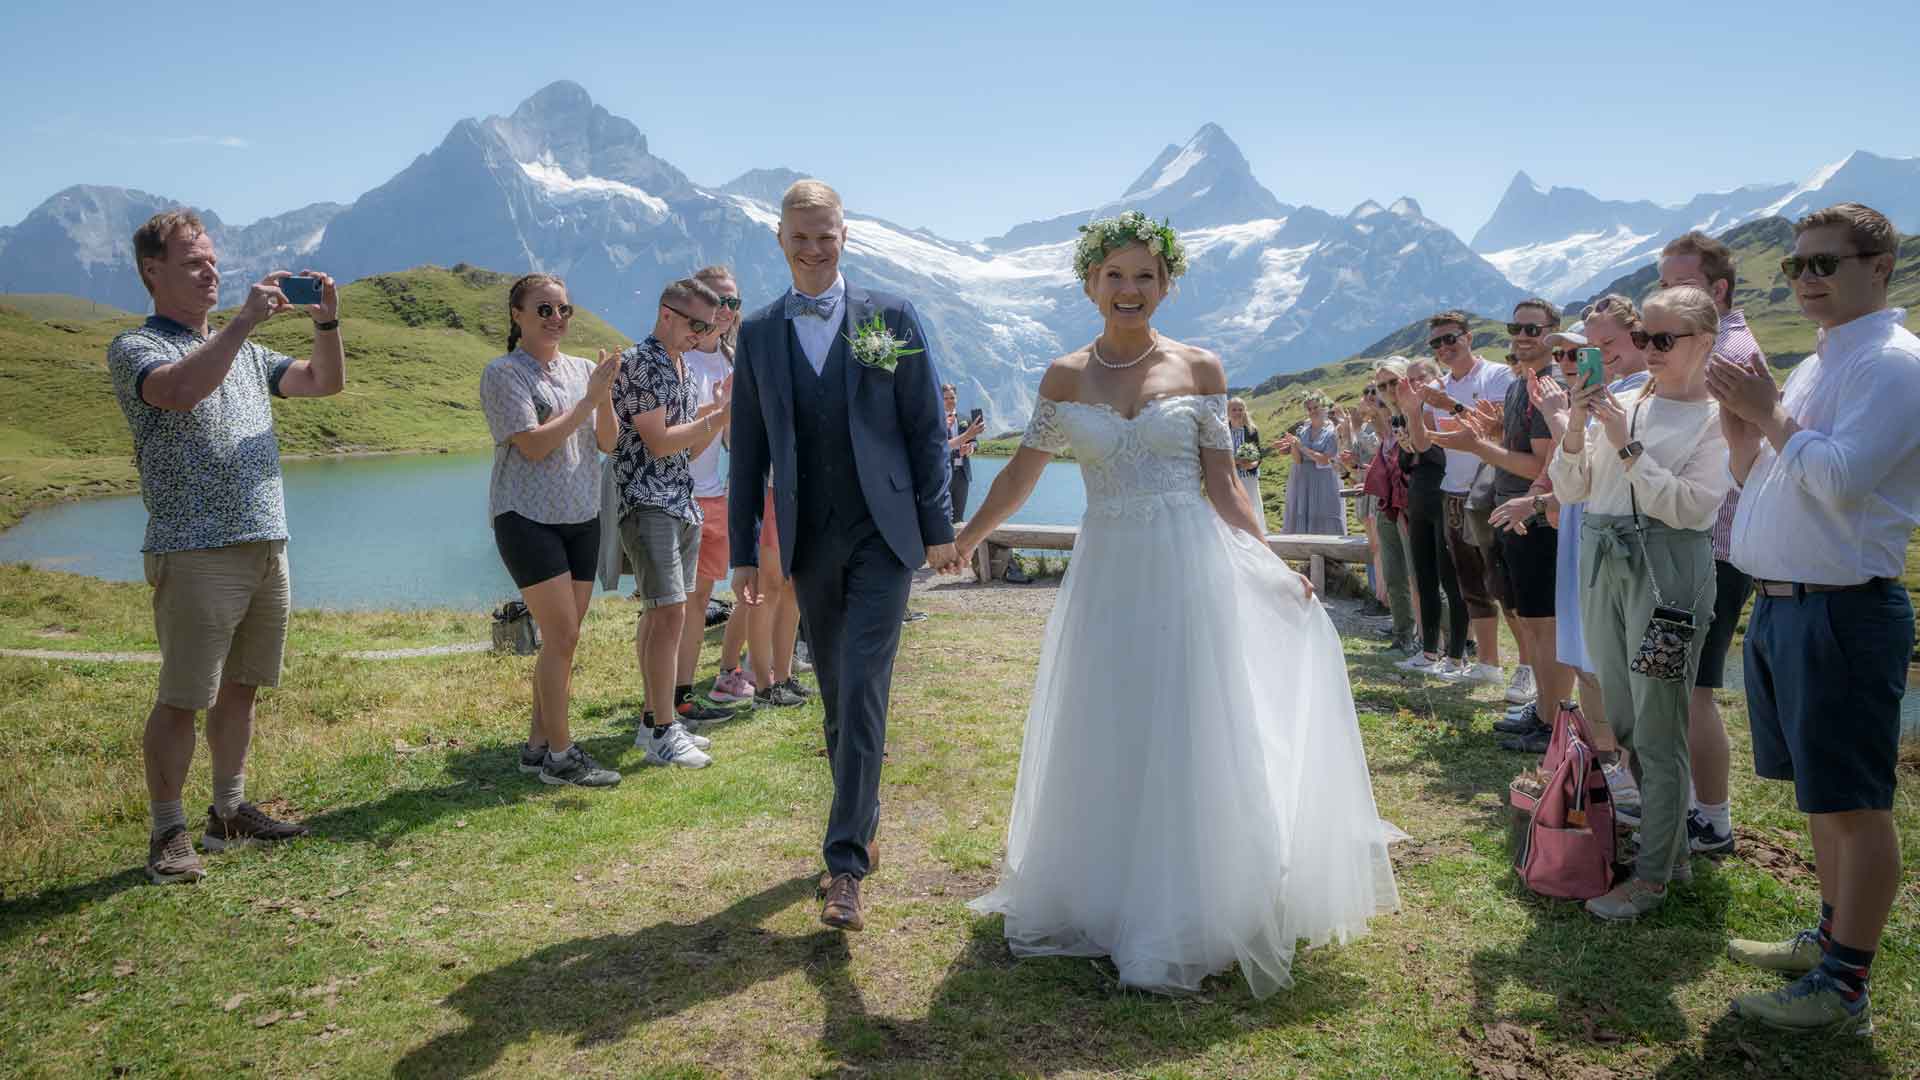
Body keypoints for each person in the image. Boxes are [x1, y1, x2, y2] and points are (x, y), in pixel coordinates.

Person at [952, 211, 1399, 998]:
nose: (1130, 290)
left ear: (1166, 286)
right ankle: (1105, 891)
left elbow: (1225, 487)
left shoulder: (1202, 369)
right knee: (1111, 716)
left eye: (1145, 277)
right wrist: (966, 536)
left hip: (1190, 566)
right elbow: (1022, 474)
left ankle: (1197, 902)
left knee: (1193, 718)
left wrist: (1269, 562)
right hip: (1108, 574)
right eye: (1115, 276)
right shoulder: (1063, 377)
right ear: (1090, 284)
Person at [729, 179, 957, 932]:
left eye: (825, 235)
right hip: (809, 541)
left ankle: (846, 864)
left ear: (844, 236)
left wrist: (939, 525)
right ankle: (864, 817)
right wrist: (741, 552)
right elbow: (748, 454)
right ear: (780, 242)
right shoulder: (759, 333)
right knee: (835, 694)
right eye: (800, 237)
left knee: (861, 682)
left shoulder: (892, 316)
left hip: (884, 537)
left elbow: (925, 427)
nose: (814, 249)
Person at [1714, 203, 1918, 1033]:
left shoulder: (1895, 366)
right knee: (1821, 799)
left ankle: (1844, 989)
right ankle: (1831, 942)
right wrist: (1745, 428)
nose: (1805, 279)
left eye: (1824, 264)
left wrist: (1767, 415)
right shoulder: (1824, 361)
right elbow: (1777, 472)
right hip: (1789, 605)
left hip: (1843, 610)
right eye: (1796, 265)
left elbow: (1838, 480)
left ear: (1881, 266)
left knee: (1855, 804)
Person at [107, 210, 345, 884]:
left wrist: (326, 323)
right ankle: (167, 833)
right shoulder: (136, 347)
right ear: (153, 272)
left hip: (266, 543)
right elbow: (178, 393)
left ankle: (229, 811)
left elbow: (324, 383)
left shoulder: (249, 354)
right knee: (185, 696)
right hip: (194, 548)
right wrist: (241, 324)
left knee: (241, 689)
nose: (209, 271)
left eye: (211, 259)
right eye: (192, 262)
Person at [1546, 286, 1732, 921]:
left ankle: (1653, 877)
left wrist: (1627, 445)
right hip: (1602, 562)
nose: (1647, 352)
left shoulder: (1716, 418)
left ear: (1704, 342)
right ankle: (1668, 848)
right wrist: (1576, 422)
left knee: (1659, 720)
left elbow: (1688, 506)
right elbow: (1571, 488)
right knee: (1622, 717)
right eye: (1643, 338)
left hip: (1668, 572)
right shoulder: (1622, 401)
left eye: (1663, 339)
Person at [481, 274, 622, 788]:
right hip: (525, 517)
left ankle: (538, 747)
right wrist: (586, 402)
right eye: (544, 310)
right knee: (560, 634)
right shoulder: (503, 374)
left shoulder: (583, 369)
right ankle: (562, 756)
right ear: (516, 316)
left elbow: (608, 443)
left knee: (565, 638)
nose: (556, 318)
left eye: (563, 308)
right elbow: (534, 446)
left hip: (582, 516)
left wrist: (602, 397)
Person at [1658, 231, 1761, 859]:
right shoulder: (1710, 345)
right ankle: (1694, 806)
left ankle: (1712, 819)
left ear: (1717, 290)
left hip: (1713, 546)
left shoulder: (1729, 353)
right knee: (1680, 679)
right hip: (1696, 540)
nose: (1669, 295)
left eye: (1680, 284)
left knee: (1693, 685)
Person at [1433, 300, 1574, 723]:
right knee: (1528, 620)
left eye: (1533, 329)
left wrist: (1479, 446)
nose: (1522, 336)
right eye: (1517, 327)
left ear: (1552, 332)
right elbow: (1517, 448)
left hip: (1535, 514)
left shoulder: (1548, 387)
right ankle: (1544, 710)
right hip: (1510, 509)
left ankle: (1552, 719)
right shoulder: (1519, 385)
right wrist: (1491, 432)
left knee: (1544, 625)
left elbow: (1539, 465)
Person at [612, 278, 732, 769]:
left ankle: (652, 721)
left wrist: (717, 415)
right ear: (667, 314)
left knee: (664, 615)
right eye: (697, 323)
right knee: (668, 616)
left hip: (679, 501)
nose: (704, 333)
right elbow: (658, 441)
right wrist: (716, 416)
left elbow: (690, 448)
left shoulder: (680, 366)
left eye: (711, 324)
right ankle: (664, 727)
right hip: (646, 501)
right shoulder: (642, 362)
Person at [1420, 312, 1518, 691]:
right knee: (1470, 583)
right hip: (1454, 488)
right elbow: (1425, 441)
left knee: (1503, 580)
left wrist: (1448, 404)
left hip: (1492, 486)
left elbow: (1496, 427)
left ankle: (1525, 666)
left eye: (1450, 339)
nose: (1444, 348)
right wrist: (1414, 408)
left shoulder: (1495, 375)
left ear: (1469, 337)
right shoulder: (1438, 384)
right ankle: (1488, 663)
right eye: (1436, 344)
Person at [675, 266, 756, 717]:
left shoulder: (728, 360)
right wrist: (721, 412)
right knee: (675, 607)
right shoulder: (681, 360)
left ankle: (685, 698)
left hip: (715, 496)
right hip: (677, 496)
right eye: (719, 301)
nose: (726, 311)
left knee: (700, 601)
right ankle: (671, 699)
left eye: (734, 303)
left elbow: (729, 442)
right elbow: (678, 448)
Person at [1392, 358, 1469, 676]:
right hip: (1420, 497)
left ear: (1438, 380)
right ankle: (1428, 651)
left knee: (1451, 578)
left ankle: (1457, 654)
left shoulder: (1444, 414)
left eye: (1420, 378)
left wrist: (1418, 442)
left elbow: (1441, 455)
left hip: (1445, 495)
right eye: (1409, 380)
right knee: (1424, 576)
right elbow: (1407, 462)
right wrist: (1408, 445)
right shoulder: (1409, 416)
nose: (1414, 385)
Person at [1359, 364, 1416, 652]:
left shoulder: (1414, 412)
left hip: (1409, 502)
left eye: (1391, 383)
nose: (1385, 392)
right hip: (1387, 502)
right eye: (1379, 388)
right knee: (1393, 573)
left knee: (1416, 574)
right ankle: (1403, 631)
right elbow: (1383, 442)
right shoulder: (1391, 419)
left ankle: (1441, 639)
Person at [1275, 393, 1345, 534]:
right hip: (1301, 477)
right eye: (1309, 409)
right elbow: (1298, 460)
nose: (1312, 411)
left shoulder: (1332, 432)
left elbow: (1325, 459)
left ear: (1324, 408)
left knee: (1325, 512)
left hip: (1323, 480)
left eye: (1316, 407)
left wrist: (1301, 447)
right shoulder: (1303, 430)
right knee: (1302, 513)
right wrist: (1294, 445)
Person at [944, 383, 985, 523]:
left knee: (959, 517)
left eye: (953, 397)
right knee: (944, 516)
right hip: (944, 473)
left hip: (963, 474)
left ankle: (959, 544)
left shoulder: (965, 419)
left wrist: (970, 448)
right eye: (946, 398)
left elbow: (975, 441)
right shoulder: (936, 421)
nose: (950, 401)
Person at [1227, 396, 1264, 526]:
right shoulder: (1224, 431)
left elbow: (1259, 454)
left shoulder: (1251, 430)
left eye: (1240, 409)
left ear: (1244, 411)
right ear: (1227, 412)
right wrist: (1235, 461)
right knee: (1233, 508)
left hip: (1249, 477)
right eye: (1234, 409)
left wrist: (1252, 464)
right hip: (1231, 478)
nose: (1237, 413)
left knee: (1252, 505)